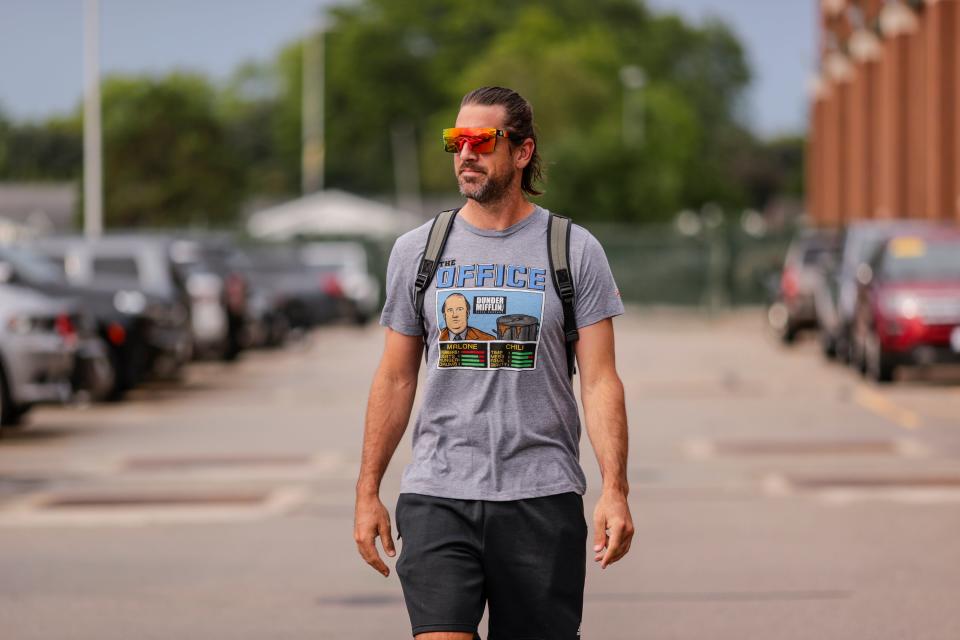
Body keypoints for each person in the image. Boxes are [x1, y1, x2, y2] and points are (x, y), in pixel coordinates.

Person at [354, 86, 633, 639]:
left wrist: (615, 489)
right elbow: (395, 375)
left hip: (541, 496)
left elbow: (600, 381)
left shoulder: (573, 249)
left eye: (481, 140)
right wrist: (367, 491)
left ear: (522, 152)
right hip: (439, 492)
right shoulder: (418, 250)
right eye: (456, 141)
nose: (465, 153)